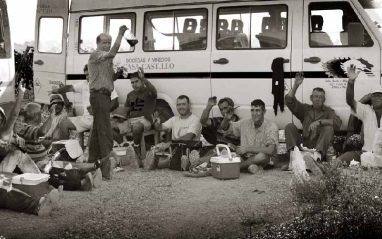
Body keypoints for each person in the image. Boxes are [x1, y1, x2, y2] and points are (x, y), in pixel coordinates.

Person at [87, 25, 128, 164]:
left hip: (103, 95)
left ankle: (92, 160)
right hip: (99, 95)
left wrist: (119, 73)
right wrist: (120, 34)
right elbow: (111, 53)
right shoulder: (96, 54)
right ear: (97, 43)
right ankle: (107, 161)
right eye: (104, 42)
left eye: (109, 43)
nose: (107, 45)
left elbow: (110, 79)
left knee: (98, 129)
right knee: (104, 128)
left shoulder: (106, 60)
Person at [52, 64, 120, 142]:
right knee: (64, 123)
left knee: (94, 135)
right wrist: (57, 90)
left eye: (89, 74)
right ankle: (64, 151)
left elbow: (115, 103)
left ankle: (90, 151)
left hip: (100, 120)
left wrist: (100, 112)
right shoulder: (84, 85)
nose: (87, 77)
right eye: (86, 75)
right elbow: (69, 87)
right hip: (85, 119)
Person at [285, 72, 342, 160]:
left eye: (320, 97)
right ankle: (293, 158)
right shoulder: (305, 109)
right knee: (289, 126)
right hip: (303, 144)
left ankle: (316, 159)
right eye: (315, 96)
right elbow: (289, 101)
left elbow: (337, 123)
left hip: (318, 146)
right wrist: (296, 85)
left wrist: (320, 122)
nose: (318, 99)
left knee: (329, 128)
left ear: (324, 100)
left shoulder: (328, 111)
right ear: (311, 98)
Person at [221, 99, 279, 174]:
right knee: (230, 155)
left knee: (261, 156)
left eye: (257, 110)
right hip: (246, 157)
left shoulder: (271, 126)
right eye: (252, 110)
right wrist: (226, 119)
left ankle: (237, 168)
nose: (254, 113)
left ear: (264, 112)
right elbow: (226, 129)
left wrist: (247, 149)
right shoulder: (245, 122)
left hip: (265, 159)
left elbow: (270, 150)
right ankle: (251, 167)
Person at [148, 95, 202, 170]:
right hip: (174, 149)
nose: (181, 107)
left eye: (183, 104)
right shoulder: (174, 119)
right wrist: (156, 124)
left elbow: (188, 138)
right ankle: (145, 161)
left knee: (166, 159)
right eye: (178, 105)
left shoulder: (195, 120)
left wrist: (169, 143)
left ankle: (159, 162)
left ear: (189, 105)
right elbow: (160, 128)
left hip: (188, 149)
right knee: (155, 148)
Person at [339, 64, 378, 165]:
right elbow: (350, 101)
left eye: (379, 95)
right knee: (342, 159)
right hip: (366, 154)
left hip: (380, 155)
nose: (376, 98)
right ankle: (323, 170)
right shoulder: (367, 111)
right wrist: (351, 82)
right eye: (374, 95)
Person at [0, 79, 40, 174]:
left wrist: (15, 138)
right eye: (18, 121)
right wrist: (21, 94)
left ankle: (39, 179)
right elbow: (14, 115)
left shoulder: (7, 133)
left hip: (5, 170)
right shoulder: (5, 133)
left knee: (18, 153)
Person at [123, 67, 157, 166]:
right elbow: (125, 111)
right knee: (110, 125)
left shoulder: (148, 92)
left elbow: (154, 91)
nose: (134, 85)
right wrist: (121, 120)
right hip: (131, 120)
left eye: (136, 82)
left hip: (145, 120)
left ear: (141, 81)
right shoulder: (130, 95)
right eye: (132, 83)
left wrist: (144, 78)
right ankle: (125, 146)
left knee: (137, 126)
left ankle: (136, 149)